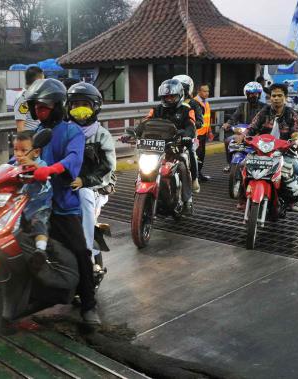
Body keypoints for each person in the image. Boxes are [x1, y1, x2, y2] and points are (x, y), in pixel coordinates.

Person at [25, 78, 101, 325]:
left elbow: (73, 160)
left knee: (81, 251)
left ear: (58, 106)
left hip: (63, 206)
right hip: (38, 203)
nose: (39, 111)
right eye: (36, 107)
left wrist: (51, 169)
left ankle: (89, 305)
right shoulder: (37, 133)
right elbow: (21, 158)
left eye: (44, 107)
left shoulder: (72, 132)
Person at [0, 131, 53, 262]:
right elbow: (0, 176)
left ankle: (41, 250)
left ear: (36, 152)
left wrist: (34, 166)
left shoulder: (41, 164)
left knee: (39, 223)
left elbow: (44, 174)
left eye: (24, 150)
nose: (18, 154)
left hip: (38, 206)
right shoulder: (15, 165)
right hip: (17, 207)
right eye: (16, 149)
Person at [65, 82, 116, 259]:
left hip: (94, 187)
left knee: (84, 195)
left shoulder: (101, 135)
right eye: (75, 105)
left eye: (85, 105)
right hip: (65, 184)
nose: (79, 109)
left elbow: (108, 167)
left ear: (95, 107)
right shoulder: (63, 132)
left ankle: (86, 250)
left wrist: (84, 181)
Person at [131, 79, 196, 211]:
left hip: (176, 147)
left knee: (183, 166)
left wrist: (187, 135)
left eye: (172, 96)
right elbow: (145, 123)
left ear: (180, 95)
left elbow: (191, 126)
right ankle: (142, 192)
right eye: (166, 96)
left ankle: (187, 199)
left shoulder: (186, 110)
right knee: (142, 166)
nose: (169, 99)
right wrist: (133, 133)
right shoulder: (156, 110)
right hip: (156, 148)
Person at [246, 83, 298, 212]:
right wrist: (243, 135)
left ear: (285, 97)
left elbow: (296, 130)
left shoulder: (292, 114)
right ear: (269, 97)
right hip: (262, 151)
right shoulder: (264, 112)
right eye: (273, 96)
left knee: (297, 168)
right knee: (243, 166)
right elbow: (252, 127)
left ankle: (293, 201)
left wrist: (295, 138)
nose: (276, 98)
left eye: (279, 95)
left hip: (283, 151)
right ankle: (242, 199)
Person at [222, 82, 266, 172]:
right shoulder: (242, 106)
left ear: (259, 94)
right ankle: (230, 163)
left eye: (255, 94)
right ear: (246, 94)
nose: (253, 96)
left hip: (259, 134)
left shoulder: (265, 107)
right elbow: (234, 117)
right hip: (243, 133)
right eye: (250, 94)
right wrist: (228, 124)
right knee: (227, 141)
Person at [14, 66, 45, 132]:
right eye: (43, 81)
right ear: (38, 81)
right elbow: (20, 125)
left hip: (38, 132)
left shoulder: (33, 95)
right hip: (30, 134)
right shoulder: (24, 98)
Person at [194, 83, 213, 182]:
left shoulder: (206, 102)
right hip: (197, 134)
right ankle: (195, 175)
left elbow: (207, 119)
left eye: (208, 91)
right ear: (199, 91)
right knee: (197, 155)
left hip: (203, 133)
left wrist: (209, 131)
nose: (207, 93)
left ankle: (199, 173)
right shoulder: (195, 102)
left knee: (201, 155)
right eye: (204, 91)